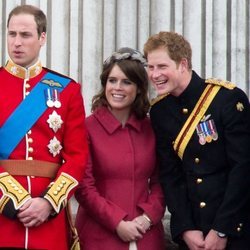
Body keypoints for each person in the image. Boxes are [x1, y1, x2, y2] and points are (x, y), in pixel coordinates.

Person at [144, 31, 250, 250]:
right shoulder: (160, 111)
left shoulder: (227, 99)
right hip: (194, 235)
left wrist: (222, 228)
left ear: (183, 64)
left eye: (162, 66)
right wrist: (185, 228)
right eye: (150, 67)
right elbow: (170, 175)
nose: (154, 74)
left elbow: (243, 168)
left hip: (234, 230)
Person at [0, 4, 88, 249]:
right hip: (2, 220)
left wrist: (49, 203)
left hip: (48, 220)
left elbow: (77, 157)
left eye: (25, 35)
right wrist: (11, 200)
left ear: (42, 38)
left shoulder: (67, 90)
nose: (17, 42)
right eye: (12, 34)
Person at [75, 47, 166, 250]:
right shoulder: (87, 127)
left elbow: (162, 181)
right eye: (112, 80)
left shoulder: (152, 128)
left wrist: (147, 218)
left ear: (139, 88)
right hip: (98, 236)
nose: (118, 87)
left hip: (147, 236)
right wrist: (117, 222)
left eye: (127, 82)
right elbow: (84, 187)